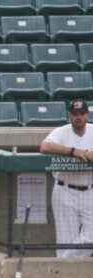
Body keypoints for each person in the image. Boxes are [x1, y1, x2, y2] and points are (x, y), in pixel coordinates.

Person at [39, 99, 93, 258]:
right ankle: (64, 275)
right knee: (65, 240)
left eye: (82, 113)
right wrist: (73, 151)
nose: (78, 117)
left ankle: (62, 264)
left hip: (90, 190)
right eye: (75, 114)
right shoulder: (61, 131)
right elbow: (45, 147)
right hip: (65, 190)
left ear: (87, 115)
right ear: (69, 115)